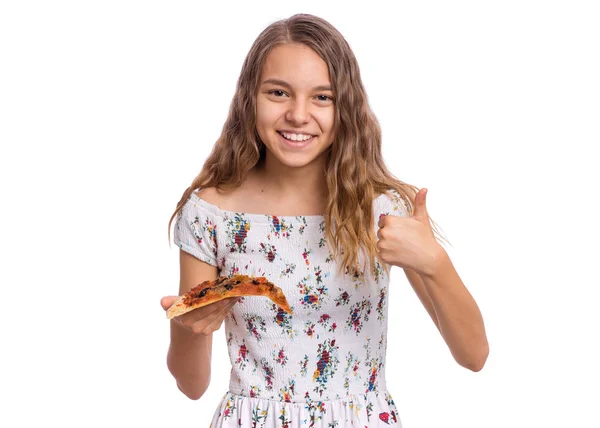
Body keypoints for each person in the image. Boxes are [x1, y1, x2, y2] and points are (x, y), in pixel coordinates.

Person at [161, 13, 488, 428]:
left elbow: (474, 355)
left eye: (322, 97)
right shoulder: (210, 213)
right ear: (250, 98)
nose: (298, 115)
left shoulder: (381, 209)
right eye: (278, 92)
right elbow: (191, 385)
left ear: (345, 106)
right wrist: (190, 327)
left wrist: (434, 263)